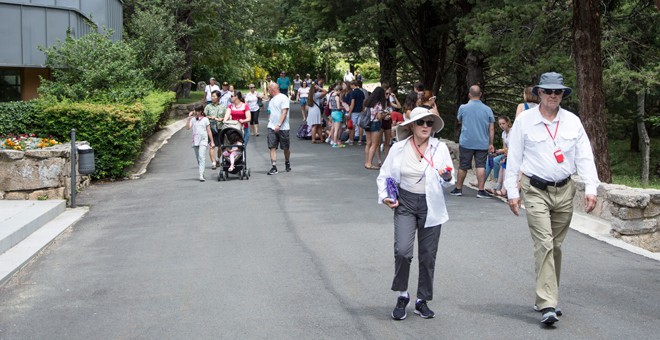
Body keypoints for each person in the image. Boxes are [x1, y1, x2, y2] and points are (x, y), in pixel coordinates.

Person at [504, 72, 599, 326]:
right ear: (539, 94)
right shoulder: (525, 121)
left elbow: (585, 156)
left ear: (563, 95)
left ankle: (544, 294)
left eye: (558, 92)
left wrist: (592, 187)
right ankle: (548, 303)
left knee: (555, 246)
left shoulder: (572, 122)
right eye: (548, 91)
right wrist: (512, 192)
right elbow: (513, 158)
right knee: (544, 243)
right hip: (534, 189)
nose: (553, 96)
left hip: (564, 191)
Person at [377, 107, 454, 321]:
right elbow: (384, 175)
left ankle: (422, 300)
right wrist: (385, 196)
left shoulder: (440, 148)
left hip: (431, 204)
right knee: (402, 251)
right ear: (412, 125)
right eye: (421, 123)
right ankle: (403, 295)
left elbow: (450, 179)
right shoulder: (399, 148)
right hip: (406, 202)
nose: (426, 127)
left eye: (430, 123)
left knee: (428, 255)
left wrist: (446, 177)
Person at [450, 85, 495, 198]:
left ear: (469, 95)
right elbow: (491, 128)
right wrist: (491, 143)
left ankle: (459, 188)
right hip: (482, 142)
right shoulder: (487, 109)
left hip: (466, 141)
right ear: (480, 94)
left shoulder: (463, 108)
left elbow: (459, 119)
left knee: (463, 166)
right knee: (481, 166)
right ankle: (480, 190)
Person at [266, 83, 291, 175]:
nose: (268, 90)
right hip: (271, 126)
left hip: (283, 127)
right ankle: (274, 166)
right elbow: (269, 111)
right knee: (272, 146)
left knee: (285, 147)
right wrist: (269, 119)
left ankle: (287, 161)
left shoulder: (283, 98)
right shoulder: (271, 100)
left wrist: (279, 124)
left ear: (273, 89)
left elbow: (284, 112)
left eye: (269, 88)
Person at [186, 104, 215, 181]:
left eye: (197, 110)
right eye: (194, 110)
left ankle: (201, 174)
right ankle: (201, 171)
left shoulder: (205, 119)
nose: (195, 112)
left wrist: (212, 141)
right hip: (195, 141)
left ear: (201, 111)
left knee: (201, 156)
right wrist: (188, 118)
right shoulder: (193, 119)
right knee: (198, 158)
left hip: (203, 140)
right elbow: (188, 128)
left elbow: (209, 131)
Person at [363, 87, 386, 169]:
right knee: (374, 144)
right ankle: (370, 163)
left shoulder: (368, 102)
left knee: (368, 143)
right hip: (375, 123)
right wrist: (384, 115)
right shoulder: (379, 104)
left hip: (367, 123)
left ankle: (366, 162)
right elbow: (379, 116)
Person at [204, 90, 226, 169]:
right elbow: (203, 116)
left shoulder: (223, 106)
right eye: (211, 96)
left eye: (214, 96)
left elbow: (227, 117)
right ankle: (213, 162)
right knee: (212, 146)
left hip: (220, 128)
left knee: (220, 147)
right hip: (211, 129)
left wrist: (221, 119)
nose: (212, 98)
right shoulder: (208, 106)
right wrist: (211, 117)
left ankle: (217, 159)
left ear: (218, 97)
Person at [490, 116, 512, 196]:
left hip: (512, 154)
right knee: (494, 160)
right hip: (507, 153)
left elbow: (513, 148)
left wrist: (503, 152)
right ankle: (498, 184)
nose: (502, 126)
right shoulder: (503, 133)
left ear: (507, 123)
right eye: (500, 124)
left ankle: (501, 187)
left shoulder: (512, 132)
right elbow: (504, 147)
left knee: (502, 163)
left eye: (503, 123)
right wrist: (501, 152)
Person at [382, 87, 401, 156]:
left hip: (388, 120)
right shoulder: (381, 103)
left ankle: (388, 157)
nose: (388, 95)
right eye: (386, 94)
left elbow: (399, 107)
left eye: (389, 94)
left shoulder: (389, 102)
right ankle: (378, 160)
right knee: (379, 143)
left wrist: (395, 98)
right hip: (382, 121)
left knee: (387, 142)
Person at [347, 80, 366, 145]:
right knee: (360, 126)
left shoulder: (353, 93)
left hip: (354, 111)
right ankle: (360, 140)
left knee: (353, 126)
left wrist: (350, 112)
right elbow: (364, 102)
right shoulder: (361, 92)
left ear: (353, 85)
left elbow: (352, 103)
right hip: (360, 111)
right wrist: (363, 108)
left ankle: (351, 140)